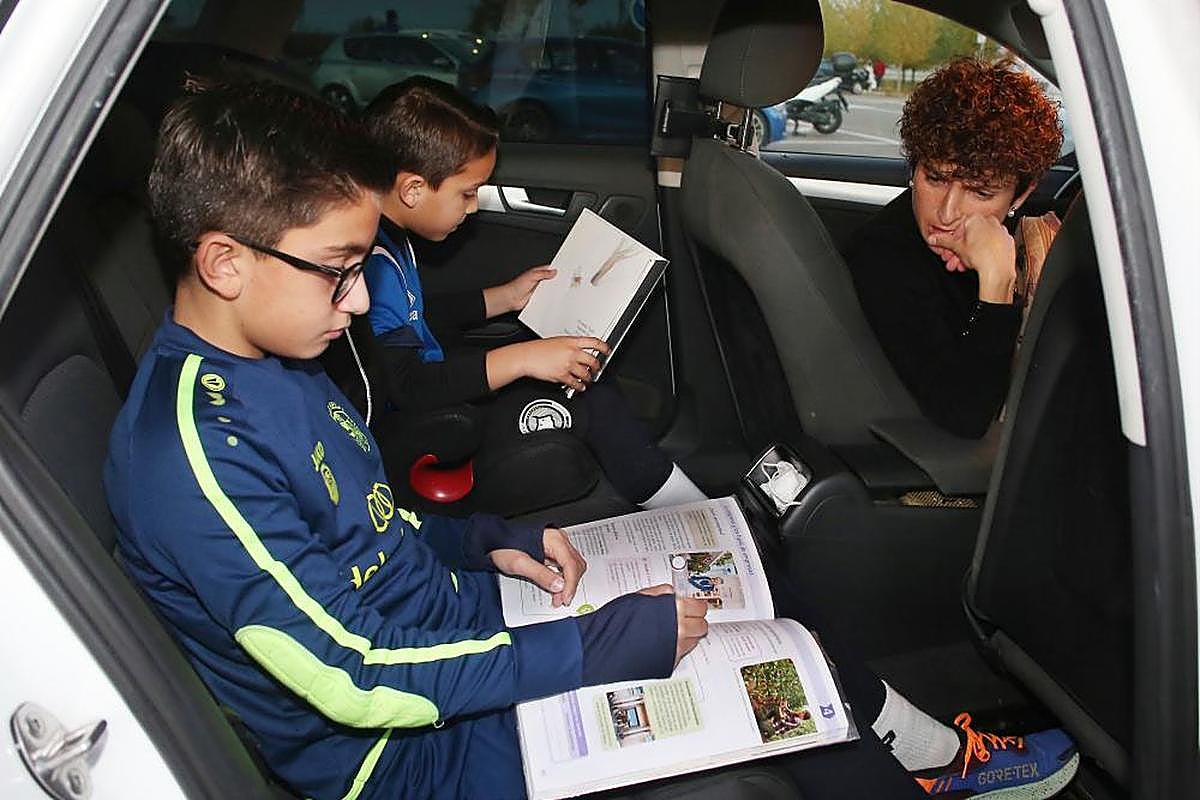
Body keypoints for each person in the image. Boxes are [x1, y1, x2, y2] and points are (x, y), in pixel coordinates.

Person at [103, 80, 709, 800]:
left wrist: (482, 541)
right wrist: (593, 646)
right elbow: (353, 675)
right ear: (226, 264)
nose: (358, 301)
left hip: (455, 625)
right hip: (402, 755)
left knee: (737, 625)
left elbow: (374, 521)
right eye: (339, 271)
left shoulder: (282, 356)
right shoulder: (194, 453)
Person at [357, 77, 707, 512]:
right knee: (588, 397)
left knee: (570, 366)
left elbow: (418, 318)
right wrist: (524, 359)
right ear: (412, 189)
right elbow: (407, 385)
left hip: (437, 385)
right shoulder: (369, 266)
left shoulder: (389, 239)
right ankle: (691, 511)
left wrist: (504, 298)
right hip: (421, 424)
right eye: (466, 193)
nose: (472, 207)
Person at [844, 57, 1063, 438]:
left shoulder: (1015, 233)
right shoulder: (883, 258)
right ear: (914, 166)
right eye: (935, 178)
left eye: (980, 192)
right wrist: (996, 285)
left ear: (1022, 194)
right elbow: (966, 416)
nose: (946, 212)